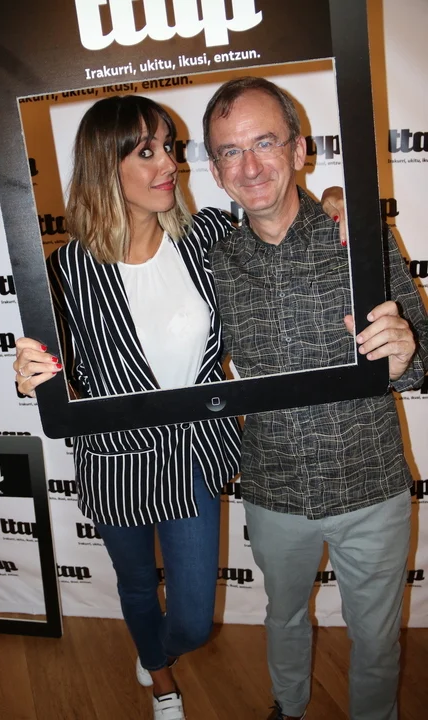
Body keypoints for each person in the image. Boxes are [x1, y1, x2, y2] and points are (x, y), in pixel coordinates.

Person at [14, 94, 345, 720]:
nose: (170, 163)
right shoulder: (65, 273)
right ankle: (162, 683)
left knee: (192, 618)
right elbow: (52, 376)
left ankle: (156, 649)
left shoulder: (206, 236)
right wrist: (29, 376)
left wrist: (333, 201)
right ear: (105, 166)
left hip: (193, 455)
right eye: (147, 152)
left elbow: (282, 221)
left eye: (168, 147)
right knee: (138, 584)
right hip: (115, 461)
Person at [203, 75, 428, 720]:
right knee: (283, 617)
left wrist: (407, 356)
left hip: (371, 487)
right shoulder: (214, 261)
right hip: (272, 489)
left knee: (377, 640)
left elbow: (422, 348)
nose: (249, 166)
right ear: (215, 171)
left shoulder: (357, 234)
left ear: (300, 149)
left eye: (265, 142)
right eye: (230, 151)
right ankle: (289, 709)